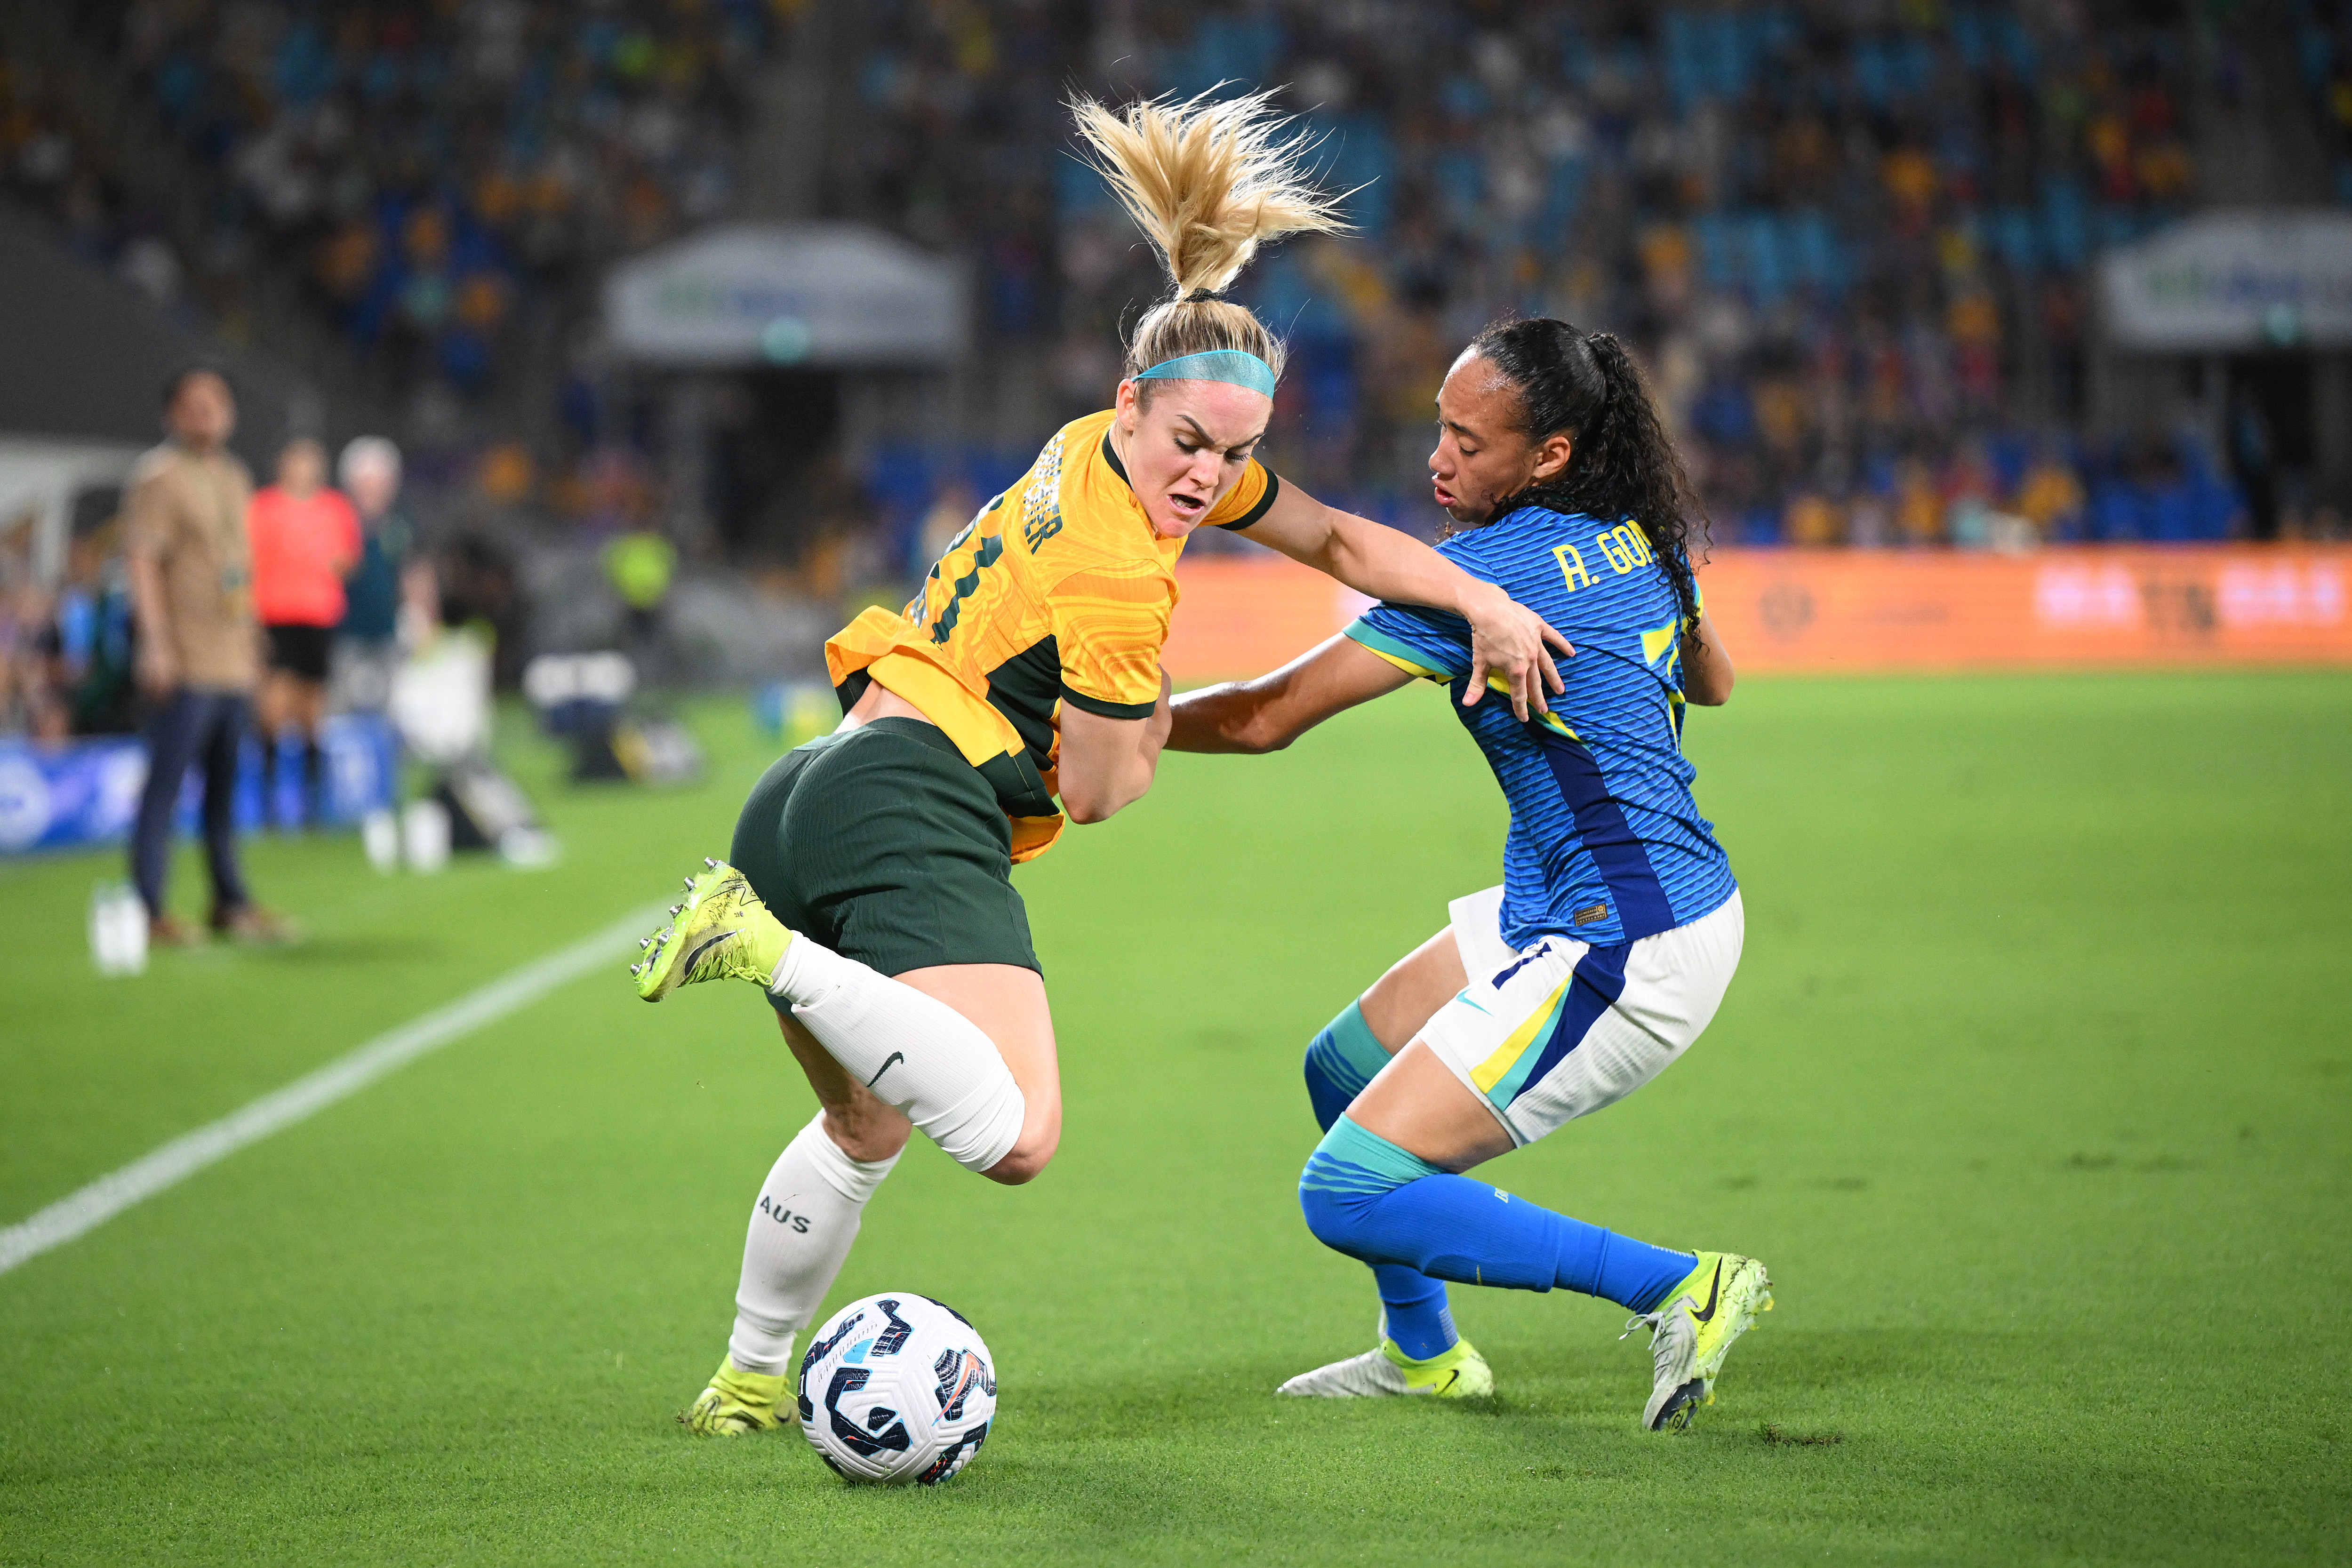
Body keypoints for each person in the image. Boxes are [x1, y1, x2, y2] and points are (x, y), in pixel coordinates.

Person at [624, 89, 1572, 1437]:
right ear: (1133, 403)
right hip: (908, 805)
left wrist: (1474, 600)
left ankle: (746, 1376)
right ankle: (752, 943)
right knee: (1013, 1134)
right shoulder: (1115, 566)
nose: (1209, 478)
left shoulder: (1096, 449)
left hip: (808, 793)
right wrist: (1133, 722)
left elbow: (1345, 543)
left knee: (865, 1127)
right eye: (1189, 444)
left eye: (1234, 454)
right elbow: (1099, 791)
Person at [1164, 318, 1769, 1432]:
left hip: (1627, 942)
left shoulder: (1489, 570)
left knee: (1345, 1190)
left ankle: (1681, 1286)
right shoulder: (1635, 528)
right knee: (1340, 1068)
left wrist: (1102, 723)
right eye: (1438, 430)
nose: (1440, 460)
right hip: (1592, 896)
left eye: (1469, 443)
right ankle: (1424, 1355)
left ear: (1549, 456)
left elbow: (1263, 720)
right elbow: (1715, 681)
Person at [122, 367, 293, 945]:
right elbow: (143, 561)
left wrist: (255, 635)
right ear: (171, 413)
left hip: (232, 658)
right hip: (188, 658)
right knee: (165, 790)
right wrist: (156, 642)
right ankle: (148, 908)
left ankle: (230, 899)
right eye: (192, 404)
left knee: (224, 791)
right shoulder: (160, 477)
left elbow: (237, 564)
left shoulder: (235, 476)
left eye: (216, 403)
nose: (206, 414)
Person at [248, 437, 360, 825]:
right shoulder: (263, 508)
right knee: (274, 707)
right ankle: (269, 802)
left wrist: (334, 567)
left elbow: (348, 560)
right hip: (275, 616)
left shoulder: (335, 509)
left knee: (312, 709)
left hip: (318, 617)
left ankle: (312, 802)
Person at [333, 436, 414, 715]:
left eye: (379, 481)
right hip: (345, 630)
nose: (372, 489)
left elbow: (413, 572)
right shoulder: (338, 523)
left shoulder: (398, 527)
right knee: (339, 704)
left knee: (393, 707)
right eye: (366, 482)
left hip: (388, 630)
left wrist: (420, 613)